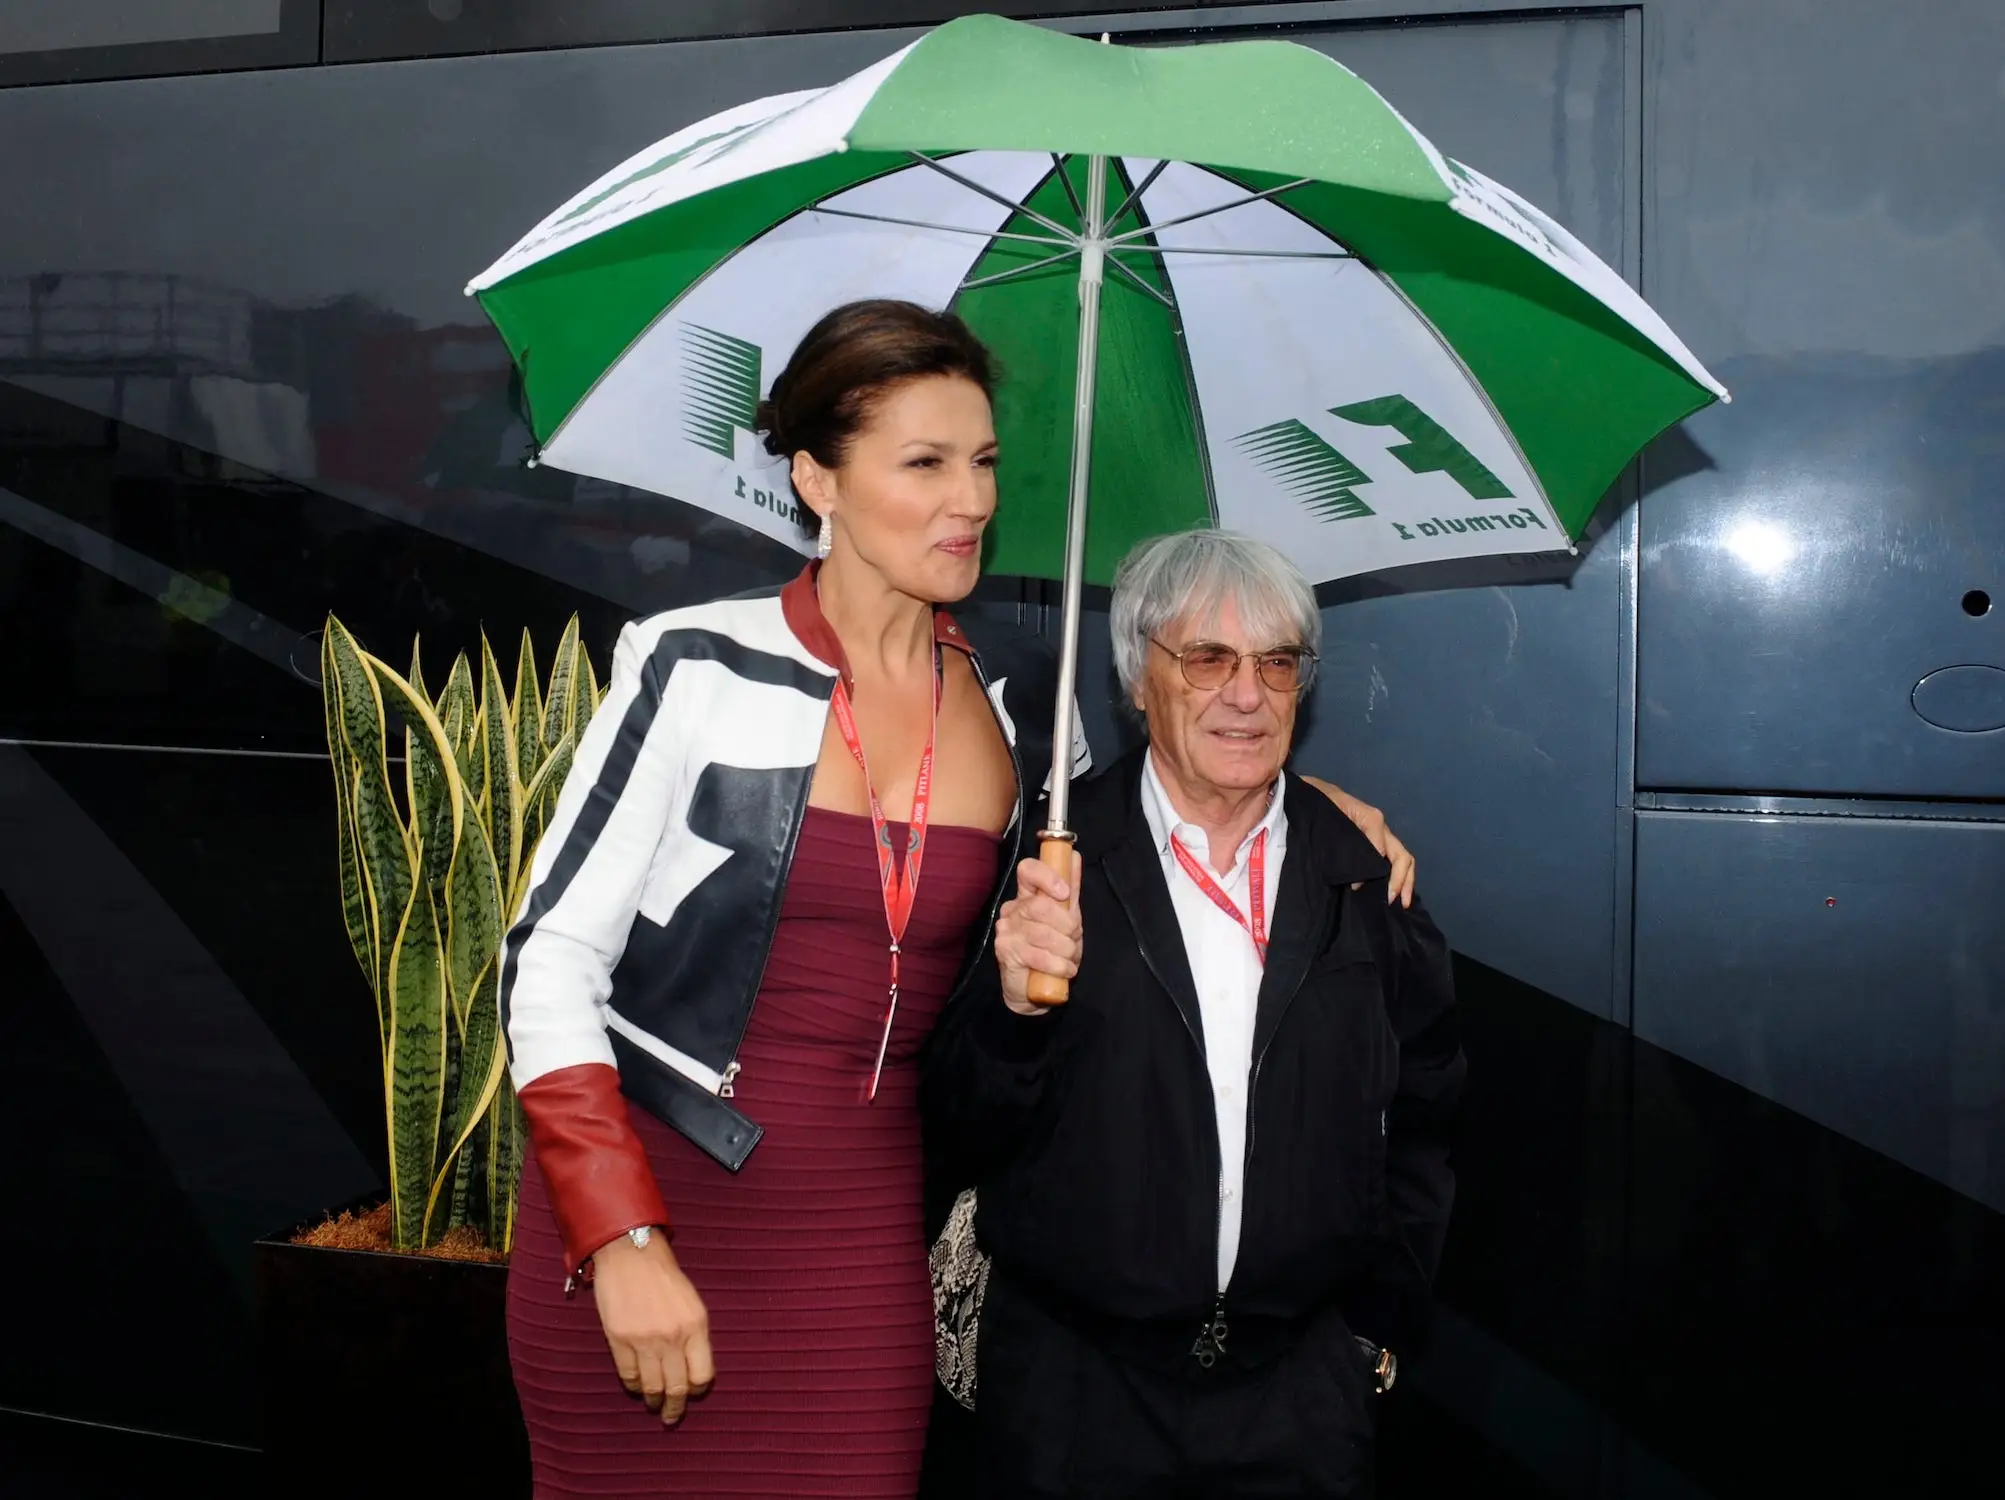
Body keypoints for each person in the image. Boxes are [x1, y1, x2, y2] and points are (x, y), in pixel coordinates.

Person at [498, 302, 1415, 1499]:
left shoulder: (1023, 707)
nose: (972, 499)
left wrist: (1303, 797)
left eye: (981, 461)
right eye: (924, 463)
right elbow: (547, 965)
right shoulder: (697, 667)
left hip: (864, 1232)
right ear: (815, 477)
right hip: (657, 1208)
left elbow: (1162, 809)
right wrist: (621, 1238)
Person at [924, 528, 1467, 1500]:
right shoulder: (1051, 864)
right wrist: (1012, 1013)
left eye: (1275, 662)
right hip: (1075, 1403)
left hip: (1296, 1403)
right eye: (1207, 659)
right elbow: (954, 1121)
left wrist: (1375, 1328)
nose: (1246, 695)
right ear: (1139, 678)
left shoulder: (1359, 876)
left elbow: (1425, 1115)